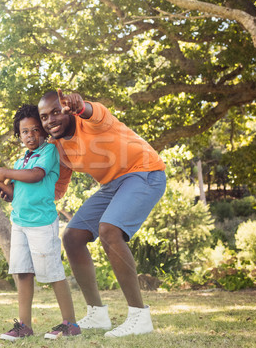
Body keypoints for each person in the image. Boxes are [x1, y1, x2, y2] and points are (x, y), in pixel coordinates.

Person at [37, 89, 167, 338]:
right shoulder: (58, 148)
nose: (50, 120)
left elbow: (92, 111)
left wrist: (80, 105)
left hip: (145, 171)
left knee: (109, 230)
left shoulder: (90, 119)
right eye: (44, 117)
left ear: (68, 108)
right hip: (112, 185)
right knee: (73, 236)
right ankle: (97, 314)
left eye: (56, 111)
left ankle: (139, 315)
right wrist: (18, 191)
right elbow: (56, 189)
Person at [0, 104, 81, 341]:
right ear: (19, 135)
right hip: (20, 223)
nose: (31, 135)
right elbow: (14, 193)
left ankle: (70, 324)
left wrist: (5, 172)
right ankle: (24, 325)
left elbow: (36, 175)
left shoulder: (49, 152)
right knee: (23, 273)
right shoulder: (20, 160)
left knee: (53, 272)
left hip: (41, 223)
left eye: (36, 130)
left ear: (44, 132)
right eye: (25, 131)